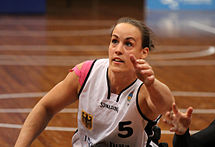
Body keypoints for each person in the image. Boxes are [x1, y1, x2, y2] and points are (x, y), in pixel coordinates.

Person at [15, 17, 174, 147]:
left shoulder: (145, 88)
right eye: (114, 41)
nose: (118, 49)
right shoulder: (86, 72)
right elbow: (46, 107)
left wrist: (151, 83)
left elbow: (167, 107)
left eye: (128, 44)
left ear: (143, 52)